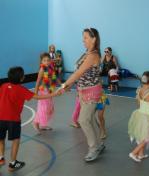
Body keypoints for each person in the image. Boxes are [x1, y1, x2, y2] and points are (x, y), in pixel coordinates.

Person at [0, 67, 59, 172]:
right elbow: (37, 97)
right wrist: (54, 94)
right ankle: (12, 164)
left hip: (0, 118)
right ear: (22, 78)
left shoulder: (3, 86)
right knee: (15, 140)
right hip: (13, 120)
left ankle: (1, 158)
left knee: (1, 139)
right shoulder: (22, 90)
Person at [61, 28, 104, 162]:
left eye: (85, 37)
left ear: (94, 39)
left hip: (92, 92)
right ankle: (99, 144)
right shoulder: (87, 53)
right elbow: (81, 75)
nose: (82, 40)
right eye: (83, 37)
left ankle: (93, 148)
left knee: (83, 120)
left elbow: (79, 73)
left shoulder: (93, 55)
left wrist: (64, 85)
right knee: (89, 119)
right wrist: (71, 85)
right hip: (82, 91)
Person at [128, 71, 149, 162]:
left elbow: (138, 104)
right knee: (147, 137)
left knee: (142, 135)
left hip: (140, 114)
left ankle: (141, 154)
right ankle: (134, 153)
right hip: (148, 117)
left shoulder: (139, 90)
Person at [33, 53, 58, 133]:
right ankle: (35, 124)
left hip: (49, 90)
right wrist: (35, 93)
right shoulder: (42, 70)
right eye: (44, 60)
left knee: (48, 108)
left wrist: (62, 84)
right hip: (43, 91)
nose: (46, 62)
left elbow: (55, 78)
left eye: (48, 60)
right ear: (41, 62)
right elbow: (37, 82)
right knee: (42, 109)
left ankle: (43, 125)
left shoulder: (50, 67)